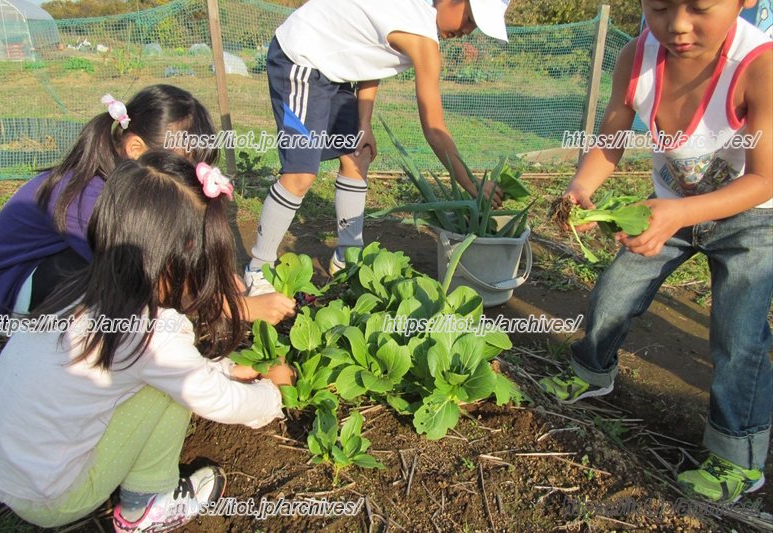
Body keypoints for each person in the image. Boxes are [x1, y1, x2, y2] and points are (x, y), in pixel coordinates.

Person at [0, 151, 297, 532]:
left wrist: (225, 368)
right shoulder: (151, 334)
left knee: (161, 377)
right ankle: (146, 507)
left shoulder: (80, 286)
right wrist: (271, 393)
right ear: (177, 261)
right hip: (49, 498)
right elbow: (218, 400)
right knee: (168, 392)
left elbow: (159, 363)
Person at [539, 0, 772, 504]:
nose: (678, 25)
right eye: (660, 6)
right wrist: (581, 188)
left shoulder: (759, 66)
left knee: (739, 333)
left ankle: (739, 457)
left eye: (700, 6)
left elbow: (764, 178)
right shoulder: (636, 57)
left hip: (751, 217)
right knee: (615, 291)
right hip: (667, 208)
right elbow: (611, 140)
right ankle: (592, 373)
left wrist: (678, 213)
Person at [244, 0, 512, 296]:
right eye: (470, 19)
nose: (467, 31)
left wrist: (364, 123)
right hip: (302, 56)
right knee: (300, 175)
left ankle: (348, 258)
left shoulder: (414, 13)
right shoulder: (422, 38)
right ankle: (258, 269)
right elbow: (434, 130)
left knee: (357, 156)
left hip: (333, 67)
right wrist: (473, 184)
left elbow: (371, 54)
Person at [0, 84, 295, 327]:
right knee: (126, 281)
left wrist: (217, 280)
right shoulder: (88, 195)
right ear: (136, 149)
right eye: (182, 167)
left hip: (45, 282)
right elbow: (143, 274)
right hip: (6, 298)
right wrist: (233, 307)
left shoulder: (126, 184)